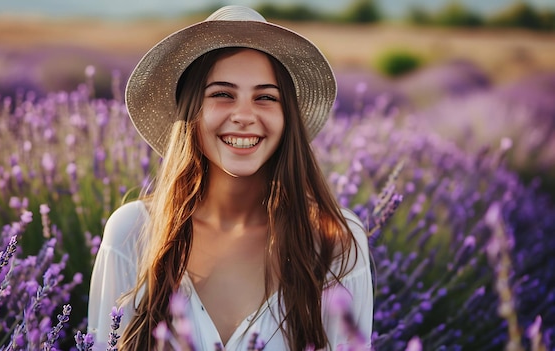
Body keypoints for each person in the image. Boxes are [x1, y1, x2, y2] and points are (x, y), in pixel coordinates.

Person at [88, 5, 373, 351]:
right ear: (191, 109)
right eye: (222, 94)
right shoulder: (133, 233)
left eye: (266, 97)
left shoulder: (334, 242)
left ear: (287, 118)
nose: (243, 116)